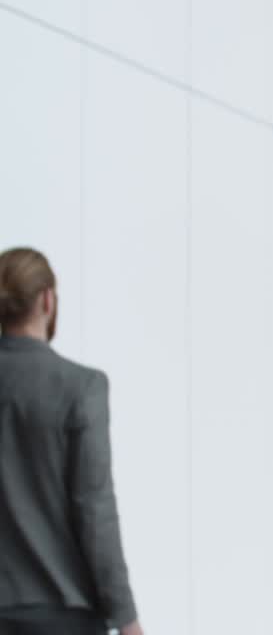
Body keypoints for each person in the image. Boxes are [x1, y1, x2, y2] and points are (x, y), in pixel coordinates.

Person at [0, 248, 142, 635]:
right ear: (47, 300)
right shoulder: (80, 387)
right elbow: (95, 511)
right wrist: (127, 618)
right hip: (62, 612)